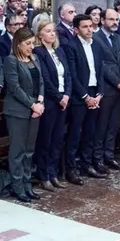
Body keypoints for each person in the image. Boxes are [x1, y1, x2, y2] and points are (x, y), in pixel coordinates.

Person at [2, 27, 44, 201]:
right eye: (27, 44)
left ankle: (28, 185)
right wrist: (33, 104)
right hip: (18, 111)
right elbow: (15, 88)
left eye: (33, 43)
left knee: (29, 150)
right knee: (18, 151)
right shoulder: (11, 60)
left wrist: (40, 101)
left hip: (35, 109)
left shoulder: (34, 58)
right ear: (18, 44)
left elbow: (41, 81)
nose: (31, 47)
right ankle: (17, 186)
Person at [63, 14, 107, 180]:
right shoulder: (71, 46)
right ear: (76, 29)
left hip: (95, 91)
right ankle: (71, 168)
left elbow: (100, 70)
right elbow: (72, 75)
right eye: (85, 27)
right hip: (79, 95)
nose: (89, 29)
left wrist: (99, 94)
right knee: (75, 133)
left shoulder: (96, 45)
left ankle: (86, 164)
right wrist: (85, 96)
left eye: (91, 26)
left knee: (90, 131)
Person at [33, 20, 70, 190]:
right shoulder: (38, 52)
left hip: (63, 100)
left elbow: (68, 74)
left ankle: (53, 172)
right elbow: (45, 79)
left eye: (53, 31)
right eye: (48, 31)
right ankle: (43, 175)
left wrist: (67, 95)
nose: (52, 33)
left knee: (57, 138)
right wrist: (58, 97)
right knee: (46, 140)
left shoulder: (59, 51)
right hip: (50, 101)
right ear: (40, 34)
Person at [92, 8, 120, 171]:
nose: (115, 23)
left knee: (114, 124)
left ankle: (109, 156)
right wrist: (117, 82)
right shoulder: (95, 38)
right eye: (111, 19)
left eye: (117, 20)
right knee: (102, 125)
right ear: (102, 20)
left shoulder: (119, 38)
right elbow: (102, 64)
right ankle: (98, 158)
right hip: (107, 88)